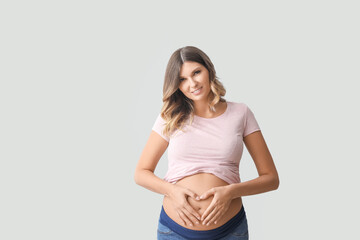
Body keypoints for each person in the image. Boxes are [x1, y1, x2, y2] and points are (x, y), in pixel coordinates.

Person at [134, 46, 279, 240]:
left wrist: (230, 192)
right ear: (176, 85)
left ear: (208, 69)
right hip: (174, 231)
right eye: (182, 79)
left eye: (196, 73)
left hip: (230, 231)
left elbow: (271, 178)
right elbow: (141, 173)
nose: (192, 83)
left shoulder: (241, 113)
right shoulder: (169, 116)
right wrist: (172, 191)